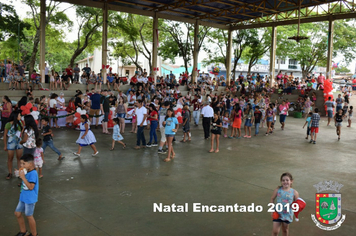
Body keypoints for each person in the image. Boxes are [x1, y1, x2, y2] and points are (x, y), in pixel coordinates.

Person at [14, 154, 39, 236]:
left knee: (29, 216)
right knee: (17, 213)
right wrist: (19, 174)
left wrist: (23, 178)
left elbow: (31, 187)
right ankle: (23, 231)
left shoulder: (33, 173)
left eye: (24, 164)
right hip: (23, 197)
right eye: (21, 163)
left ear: (30, 164)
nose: (22, 165)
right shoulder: (26, 171)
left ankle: (34, 234)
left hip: (30, 199)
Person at [4, 111, 23, 180]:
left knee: (19, 158)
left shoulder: (20, 123)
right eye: (19, 115)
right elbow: (5, 135)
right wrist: (5, 145)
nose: (20, 117)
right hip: (11, 142)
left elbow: (22, 131)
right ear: (15, 116)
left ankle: (20, 172)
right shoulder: (8, 124)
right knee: (10, 158)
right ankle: (10, 172)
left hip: (19, 142)